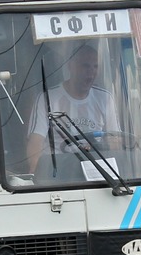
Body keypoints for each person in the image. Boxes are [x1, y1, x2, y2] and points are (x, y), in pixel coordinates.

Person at [26, 44, 119, 173]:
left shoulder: (105, 98)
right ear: (71, 66)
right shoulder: (47, 99)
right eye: (85, 66)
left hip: (96, 168)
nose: (91, 72)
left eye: (95, 66)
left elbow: (115, 140)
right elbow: (36, 143)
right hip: (59, 171)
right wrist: (36, 176)